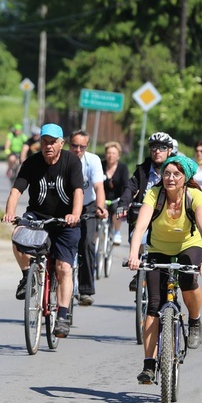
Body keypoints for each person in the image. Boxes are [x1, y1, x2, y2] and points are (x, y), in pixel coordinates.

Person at [127, 155, 202, 383]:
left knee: (188, 280)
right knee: (154, 304)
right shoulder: (154, 194)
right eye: (166, 173)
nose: (170, 178)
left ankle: (194, 320)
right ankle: (148, 365)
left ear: (185, 178)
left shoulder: (194, 195)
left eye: (176, 174)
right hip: (158, 248)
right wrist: (134, 255)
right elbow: (140, 227)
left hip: (189, 245)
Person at [2, 123, 83, 338]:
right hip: (37, 216)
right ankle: (27, 275)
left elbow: (78, 192)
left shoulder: (71, 162)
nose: (48, 146)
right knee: (17, 236)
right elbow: (16, 191)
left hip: (65, 221)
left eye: (52, 142)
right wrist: (10, 213)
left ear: (61, 144)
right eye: (45, 142)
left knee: (64, 267)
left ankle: (63, 315)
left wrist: (75, 215)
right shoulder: (32, 162)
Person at [118, 131, 175, 291]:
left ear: (169, 151)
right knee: (138, 236)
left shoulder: (176, 168)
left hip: (168, 216)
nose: (157, 151)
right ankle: (140, 270)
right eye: (154, 147)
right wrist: (123, 204)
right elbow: (130, 187)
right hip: (143, 215)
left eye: (162, 148)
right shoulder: (143, 169)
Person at [69, 130, 108, 306]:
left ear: (87, 146)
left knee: (87, 244)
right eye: (74, 146)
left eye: (82, 146)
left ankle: (85, 290)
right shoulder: (62, 159)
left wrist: (101, 207)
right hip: (66, 205)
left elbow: (98, 186)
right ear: (68, 144)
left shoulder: (93, 160)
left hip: (88, 205)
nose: (77, 150)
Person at [102, 141, 129, 245]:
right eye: (109, 153)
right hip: (102, 197)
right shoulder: (101, 165)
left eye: (113, 153)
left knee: (116, 210)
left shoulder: (122, 168)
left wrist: (124, 199)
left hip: (116, 197)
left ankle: (117, 231)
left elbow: (125, 185)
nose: (111, 156)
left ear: (118, 155)